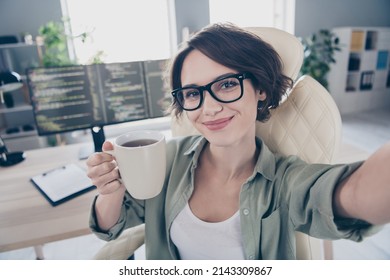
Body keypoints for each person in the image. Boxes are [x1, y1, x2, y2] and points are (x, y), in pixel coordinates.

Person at [87, 23, 390, 260]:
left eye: (227, 84)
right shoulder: (166, 159)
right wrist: (109, 191)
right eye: (193, 93)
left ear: (260, 88)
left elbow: (356, 194)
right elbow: (111, 225)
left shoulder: (285, 182)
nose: (209, 108)